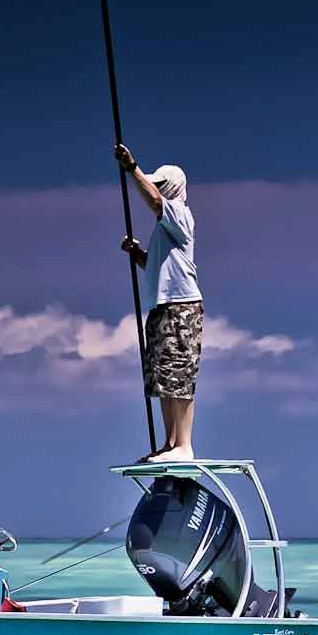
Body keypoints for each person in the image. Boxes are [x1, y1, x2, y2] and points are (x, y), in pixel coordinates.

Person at [115, 143, 201, 462]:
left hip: (181, 306)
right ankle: (171, 445)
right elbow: (158, 266)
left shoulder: (178, 212)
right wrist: (138, 255)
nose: (157, 191)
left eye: (161, 186)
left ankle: (184, 447)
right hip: (162, 306)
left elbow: (153, 200)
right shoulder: (165, 228)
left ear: (173, 188)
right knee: (164, 378)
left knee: (179, 375)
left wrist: (132, 168)